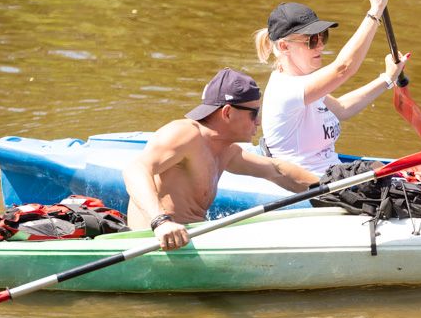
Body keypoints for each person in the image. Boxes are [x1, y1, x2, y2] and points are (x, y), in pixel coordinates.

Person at [123, 68, 319, 251]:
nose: (259, 121)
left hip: (191, 239)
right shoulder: (186, 134)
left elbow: (276, 171)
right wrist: (161, 222)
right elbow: (135, 169)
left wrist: (335, 189)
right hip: (154, 243)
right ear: (227, 113)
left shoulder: (226, 150)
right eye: (254, 113)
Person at [252, 0, 406, 175]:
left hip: (333, 177)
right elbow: (344, 67)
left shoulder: (306, 85)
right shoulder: (286, 90)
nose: (321, 46)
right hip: (307, 187)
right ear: (284, 46)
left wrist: (387, 78)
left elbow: (342, 108)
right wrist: (376, 10)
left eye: (322, 36)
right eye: (312, 40)